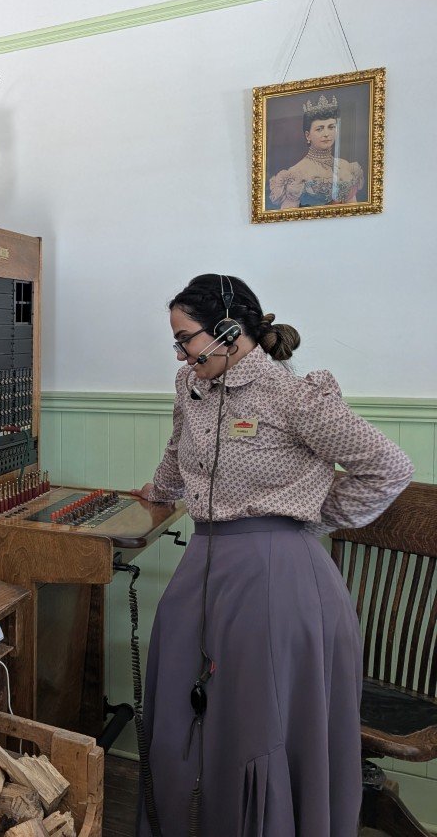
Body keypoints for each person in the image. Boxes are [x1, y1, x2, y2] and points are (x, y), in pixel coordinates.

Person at [133, 273, 412, 837]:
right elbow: (176, 451)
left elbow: (389, 467)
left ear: (230, 332)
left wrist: (310, 515)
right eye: (177, 341)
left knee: (255, 727)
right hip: (206, 565)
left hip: (278, 579)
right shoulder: (192, 385)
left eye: (186, 337)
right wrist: (157, 492)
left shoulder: (295, 396)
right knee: (177, 712)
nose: (181, 352)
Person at [267, 93, 365, 208]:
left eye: (331, 127)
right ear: (308, 136)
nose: (326, 134)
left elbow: (354, 209)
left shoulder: (346, 166)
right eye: (319, 129)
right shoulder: (296, 173)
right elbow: (288, 218)